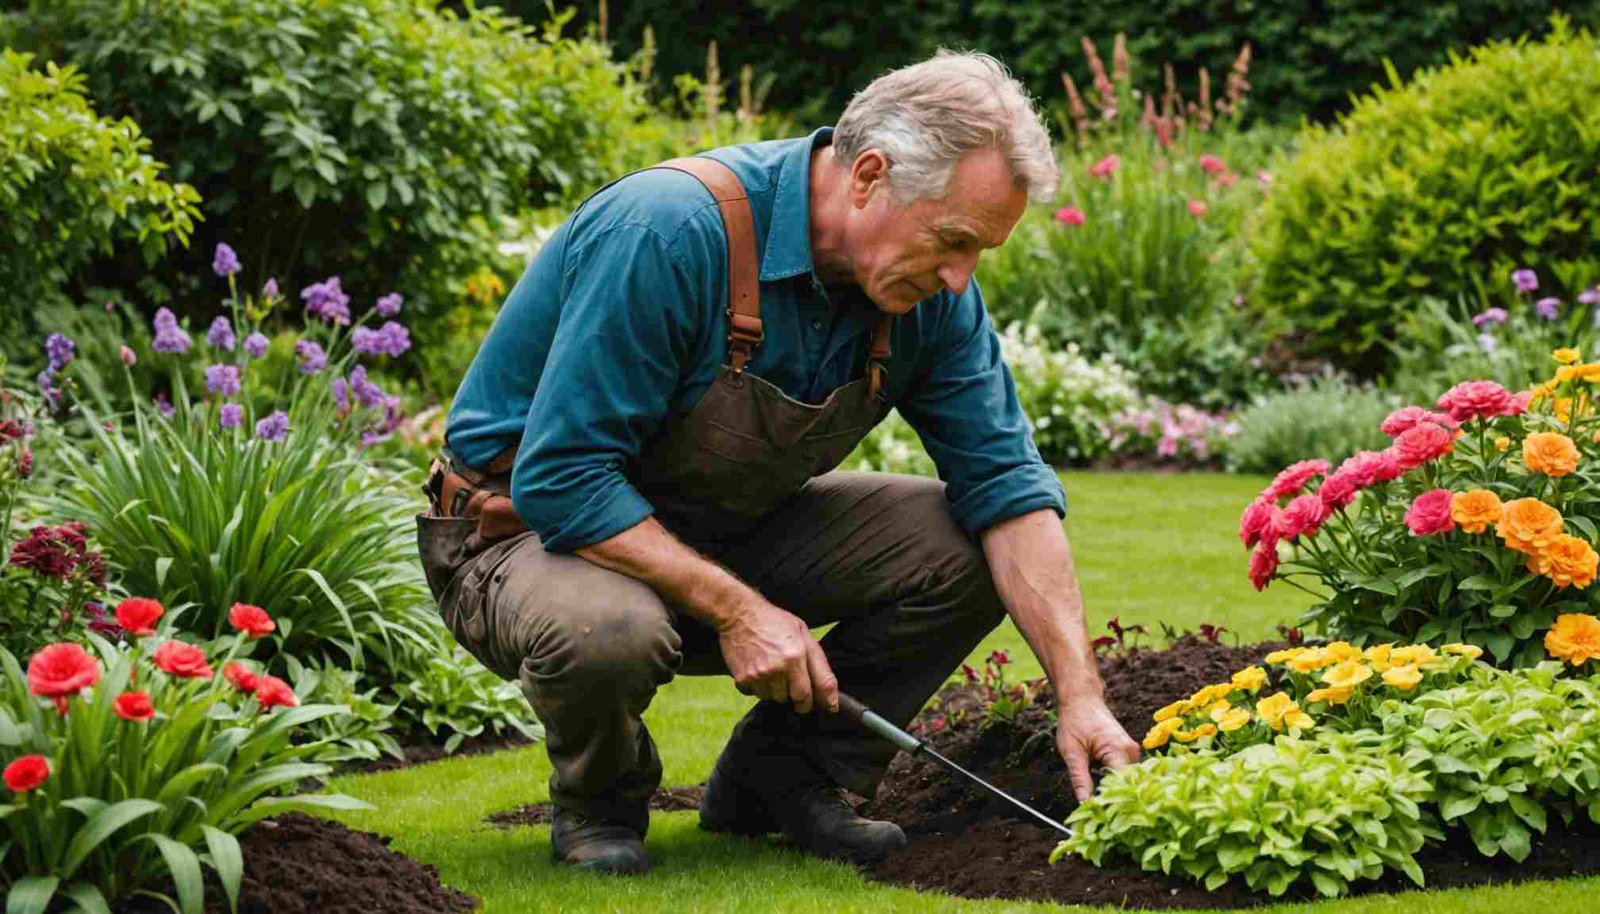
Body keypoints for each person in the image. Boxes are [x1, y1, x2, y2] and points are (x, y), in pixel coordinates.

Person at [416, 48, 1139, 875]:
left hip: (719, 525)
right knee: (608, 628)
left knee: (967, 545)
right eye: (952, 240)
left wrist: (1080, 695)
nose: (958, 277)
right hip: (522, 541)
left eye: (979, 253)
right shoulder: (670, 230)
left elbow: (1009, 488)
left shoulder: (930, 302)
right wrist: (739, 611)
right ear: (868, 176)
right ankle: (600, 800)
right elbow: (562, 477)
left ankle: (782, 780)